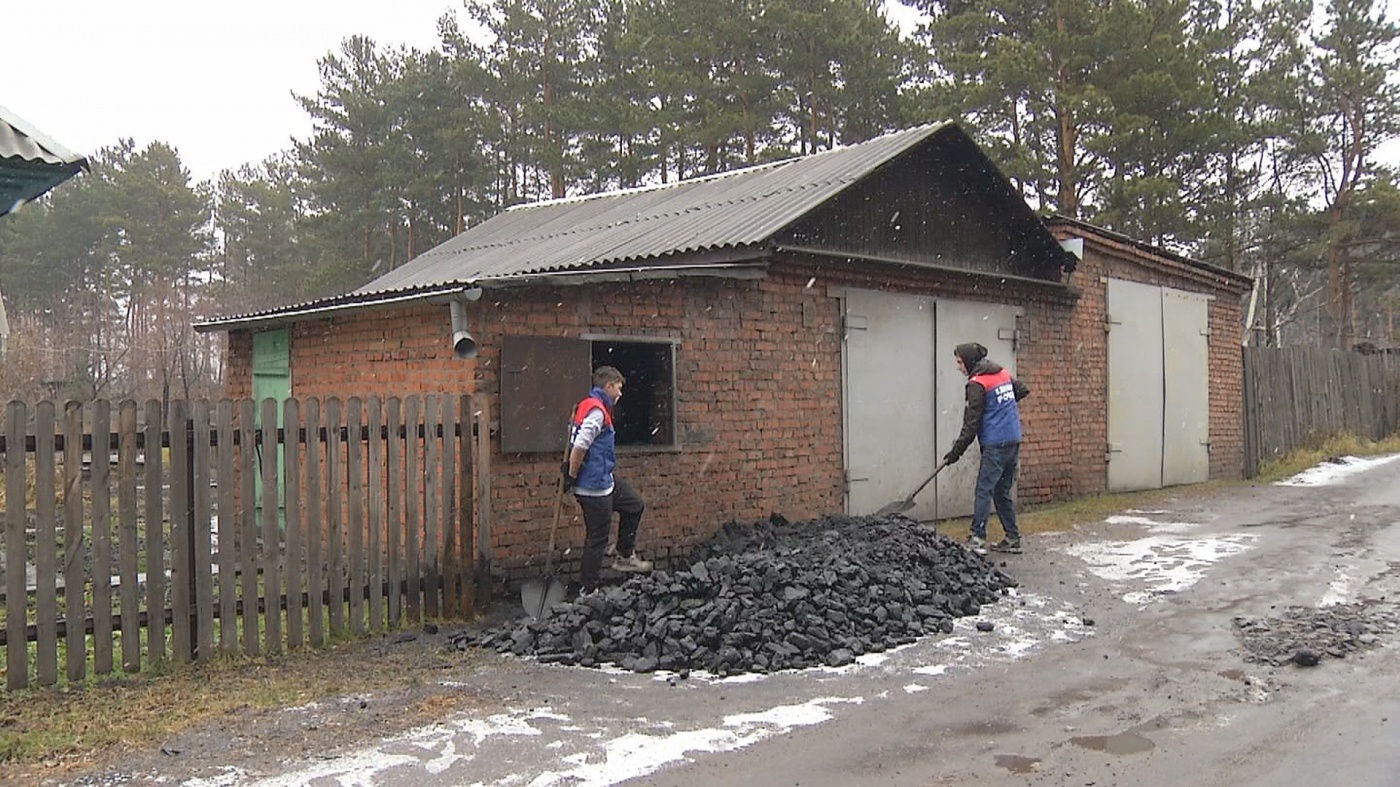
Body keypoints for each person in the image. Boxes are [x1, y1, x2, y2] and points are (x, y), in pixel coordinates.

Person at [563, 366, 653, 593]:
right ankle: (588, 589)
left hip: (605, 480)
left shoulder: (587, 406)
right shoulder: (596, 411)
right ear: (608, 386)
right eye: (619, 388)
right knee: (597, 539)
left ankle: (624, 554)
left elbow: (573, 435)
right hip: (593, 487)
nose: (621, 394)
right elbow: (580, 445)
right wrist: (571, 476)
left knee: (634, 505)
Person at [942, 342, 1030, 554]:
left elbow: (970, 425)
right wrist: (1001, 408)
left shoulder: (977, 383)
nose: (958, 367)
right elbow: (1022, 390)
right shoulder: (1001, 372)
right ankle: (1012, 537)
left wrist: (955, 453)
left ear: (970, 361)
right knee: (1001, 491)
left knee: (984, 490)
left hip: (996, 443)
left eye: (960, 362)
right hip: (1013, 439)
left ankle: (977, 538)